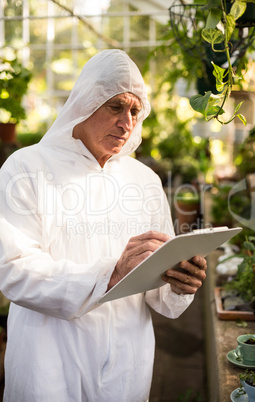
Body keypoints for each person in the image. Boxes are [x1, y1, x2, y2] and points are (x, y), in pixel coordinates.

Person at [0, 49, 207, 402]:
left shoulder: (144, 181)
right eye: (116, 106)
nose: (127, 122)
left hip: (127, 363)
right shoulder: (25, 169)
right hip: (49, 360)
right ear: (86, 101)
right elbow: (13, 269)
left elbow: (158, 290)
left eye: (135, 111)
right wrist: (109, 275)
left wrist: (179, 283)